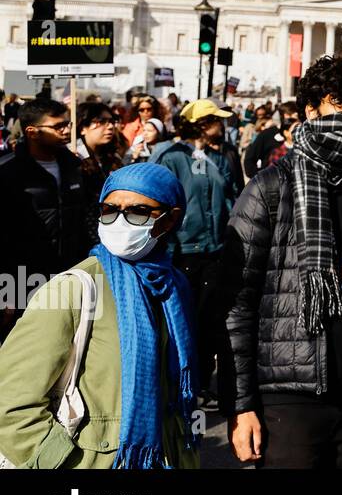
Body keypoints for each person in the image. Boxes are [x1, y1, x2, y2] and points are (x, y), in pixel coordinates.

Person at [221, 55, 342, 468]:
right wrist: (241, 407)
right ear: (311, 109)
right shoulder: (270, 188)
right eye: (339, 102)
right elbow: (237, 304)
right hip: (288, 395)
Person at [0, 164, 199, 468]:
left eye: (137, 211)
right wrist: (61, 461)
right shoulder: (74, 287)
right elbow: (11, 402)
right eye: (109, 210)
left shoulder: (174, 287)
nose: (120, 221)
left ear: (170, 219)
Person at [151, 99, 236, 398]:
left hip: (215, 250)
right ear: (201, 124)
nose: (223, 126)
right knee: (183, 318)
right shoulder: (170, 155)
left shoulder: (221, 156)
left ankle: (199, 380)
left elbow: (231, 196)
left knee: (210, 319)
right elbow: (156, 199)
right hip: (182, 251)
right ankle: (178, 379)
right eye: (217, 120)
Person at [0, 97, 93, 275]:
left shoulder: (75, 167)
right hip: (22, 277)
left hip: (71, 272)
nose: (66, 131)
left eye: (68, 124)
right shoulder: (7, 172)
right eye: (58, 127)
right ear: (32, 132)